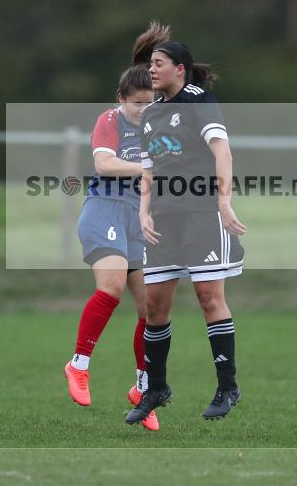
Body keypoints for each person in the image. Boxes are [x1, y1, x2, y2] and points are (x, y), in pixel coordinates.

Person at [124, 33, 247, 425]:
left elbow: (221, 151)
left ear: (179, 69)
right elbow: (148, 169)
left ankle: (227, 387)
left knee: (209, 298)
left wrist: (223, 201)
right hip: (163, 218)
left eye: (158, 64)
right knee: (154, 305)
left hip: (201, 214)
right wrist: (144, 212)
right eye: (150, 65)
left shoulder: (199, 100)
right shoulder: (152, 113)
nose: (151, 70)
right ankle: (156, 388)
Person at [63, 23, 171, 431]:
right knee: (109, 288)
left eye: (151, 102)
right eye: (139, 103)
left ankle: (143, 387)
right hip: (105, 210)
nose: (146, 109)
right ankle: (78, 365)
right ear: (121, 99)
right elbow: (103, 163)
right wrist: (148, 167)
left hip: (139, 219)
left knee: (152, 308)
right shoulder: (110, 120)